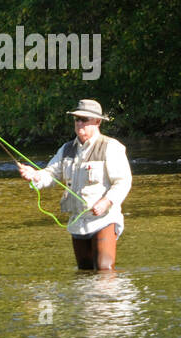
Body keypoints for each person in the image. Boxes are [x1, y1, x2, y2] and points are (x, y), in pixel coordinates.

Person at [17, 99, 132, 270]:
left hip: (104, 219)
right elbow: (51, 174)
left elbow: (123, 182)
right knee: (83, 273)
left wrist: (106, 202)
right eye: (76, 119)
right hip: (77, 222)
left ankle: (109, 297)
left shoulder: (111, 147)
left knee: (104, 270)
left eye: (84, 119)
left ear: (97, 122)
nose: (79, 123)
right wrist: (34, 176)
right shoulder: (66, 149)